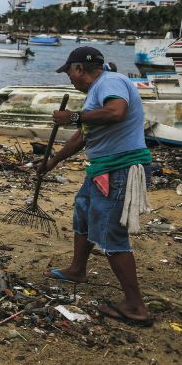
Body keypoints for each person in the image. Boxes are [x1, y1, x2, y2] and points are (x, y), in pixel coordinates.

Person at [38, 46, 154, 327]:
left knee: (111, 234)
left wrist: (73, 116)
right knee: (84, 213)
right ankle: (78, 269)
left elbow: (116, 112)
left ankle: (136, 307)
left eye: (69, 73)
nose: (70, 79)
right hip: (102, 169)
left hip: (121, 169)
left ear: (79, 69)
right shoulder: (97, 92)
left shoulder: (111, 82)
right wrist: (52, 161)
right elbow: (83, 138)